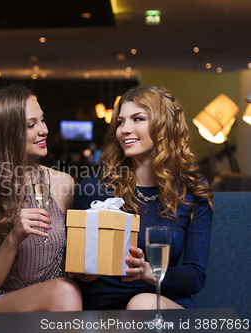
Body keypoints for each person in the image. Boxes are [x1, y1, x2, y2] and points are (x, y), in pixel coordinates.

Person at [72, 85, 214, 310]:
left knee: (142, 304)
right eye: (120, 121)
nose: (124, 129)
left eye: (137, 119)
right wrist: (81, 273)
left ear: (164, 126)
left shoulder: (192, 192)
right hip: (106, 310)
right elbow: (74, 268)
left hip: (164, 304)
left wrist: (149, 271)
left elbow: (195, 277)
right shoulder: (95, 187)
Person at [0, 84, 83, 313]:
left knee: (66, 290)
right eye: (31, 125)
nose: (44, 130)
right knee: (65, 291)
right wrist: (14, 237)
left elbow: (74, 259)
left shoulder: (64, 183)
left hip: (55, 306)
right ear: (7, 133)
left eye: (42, 120)